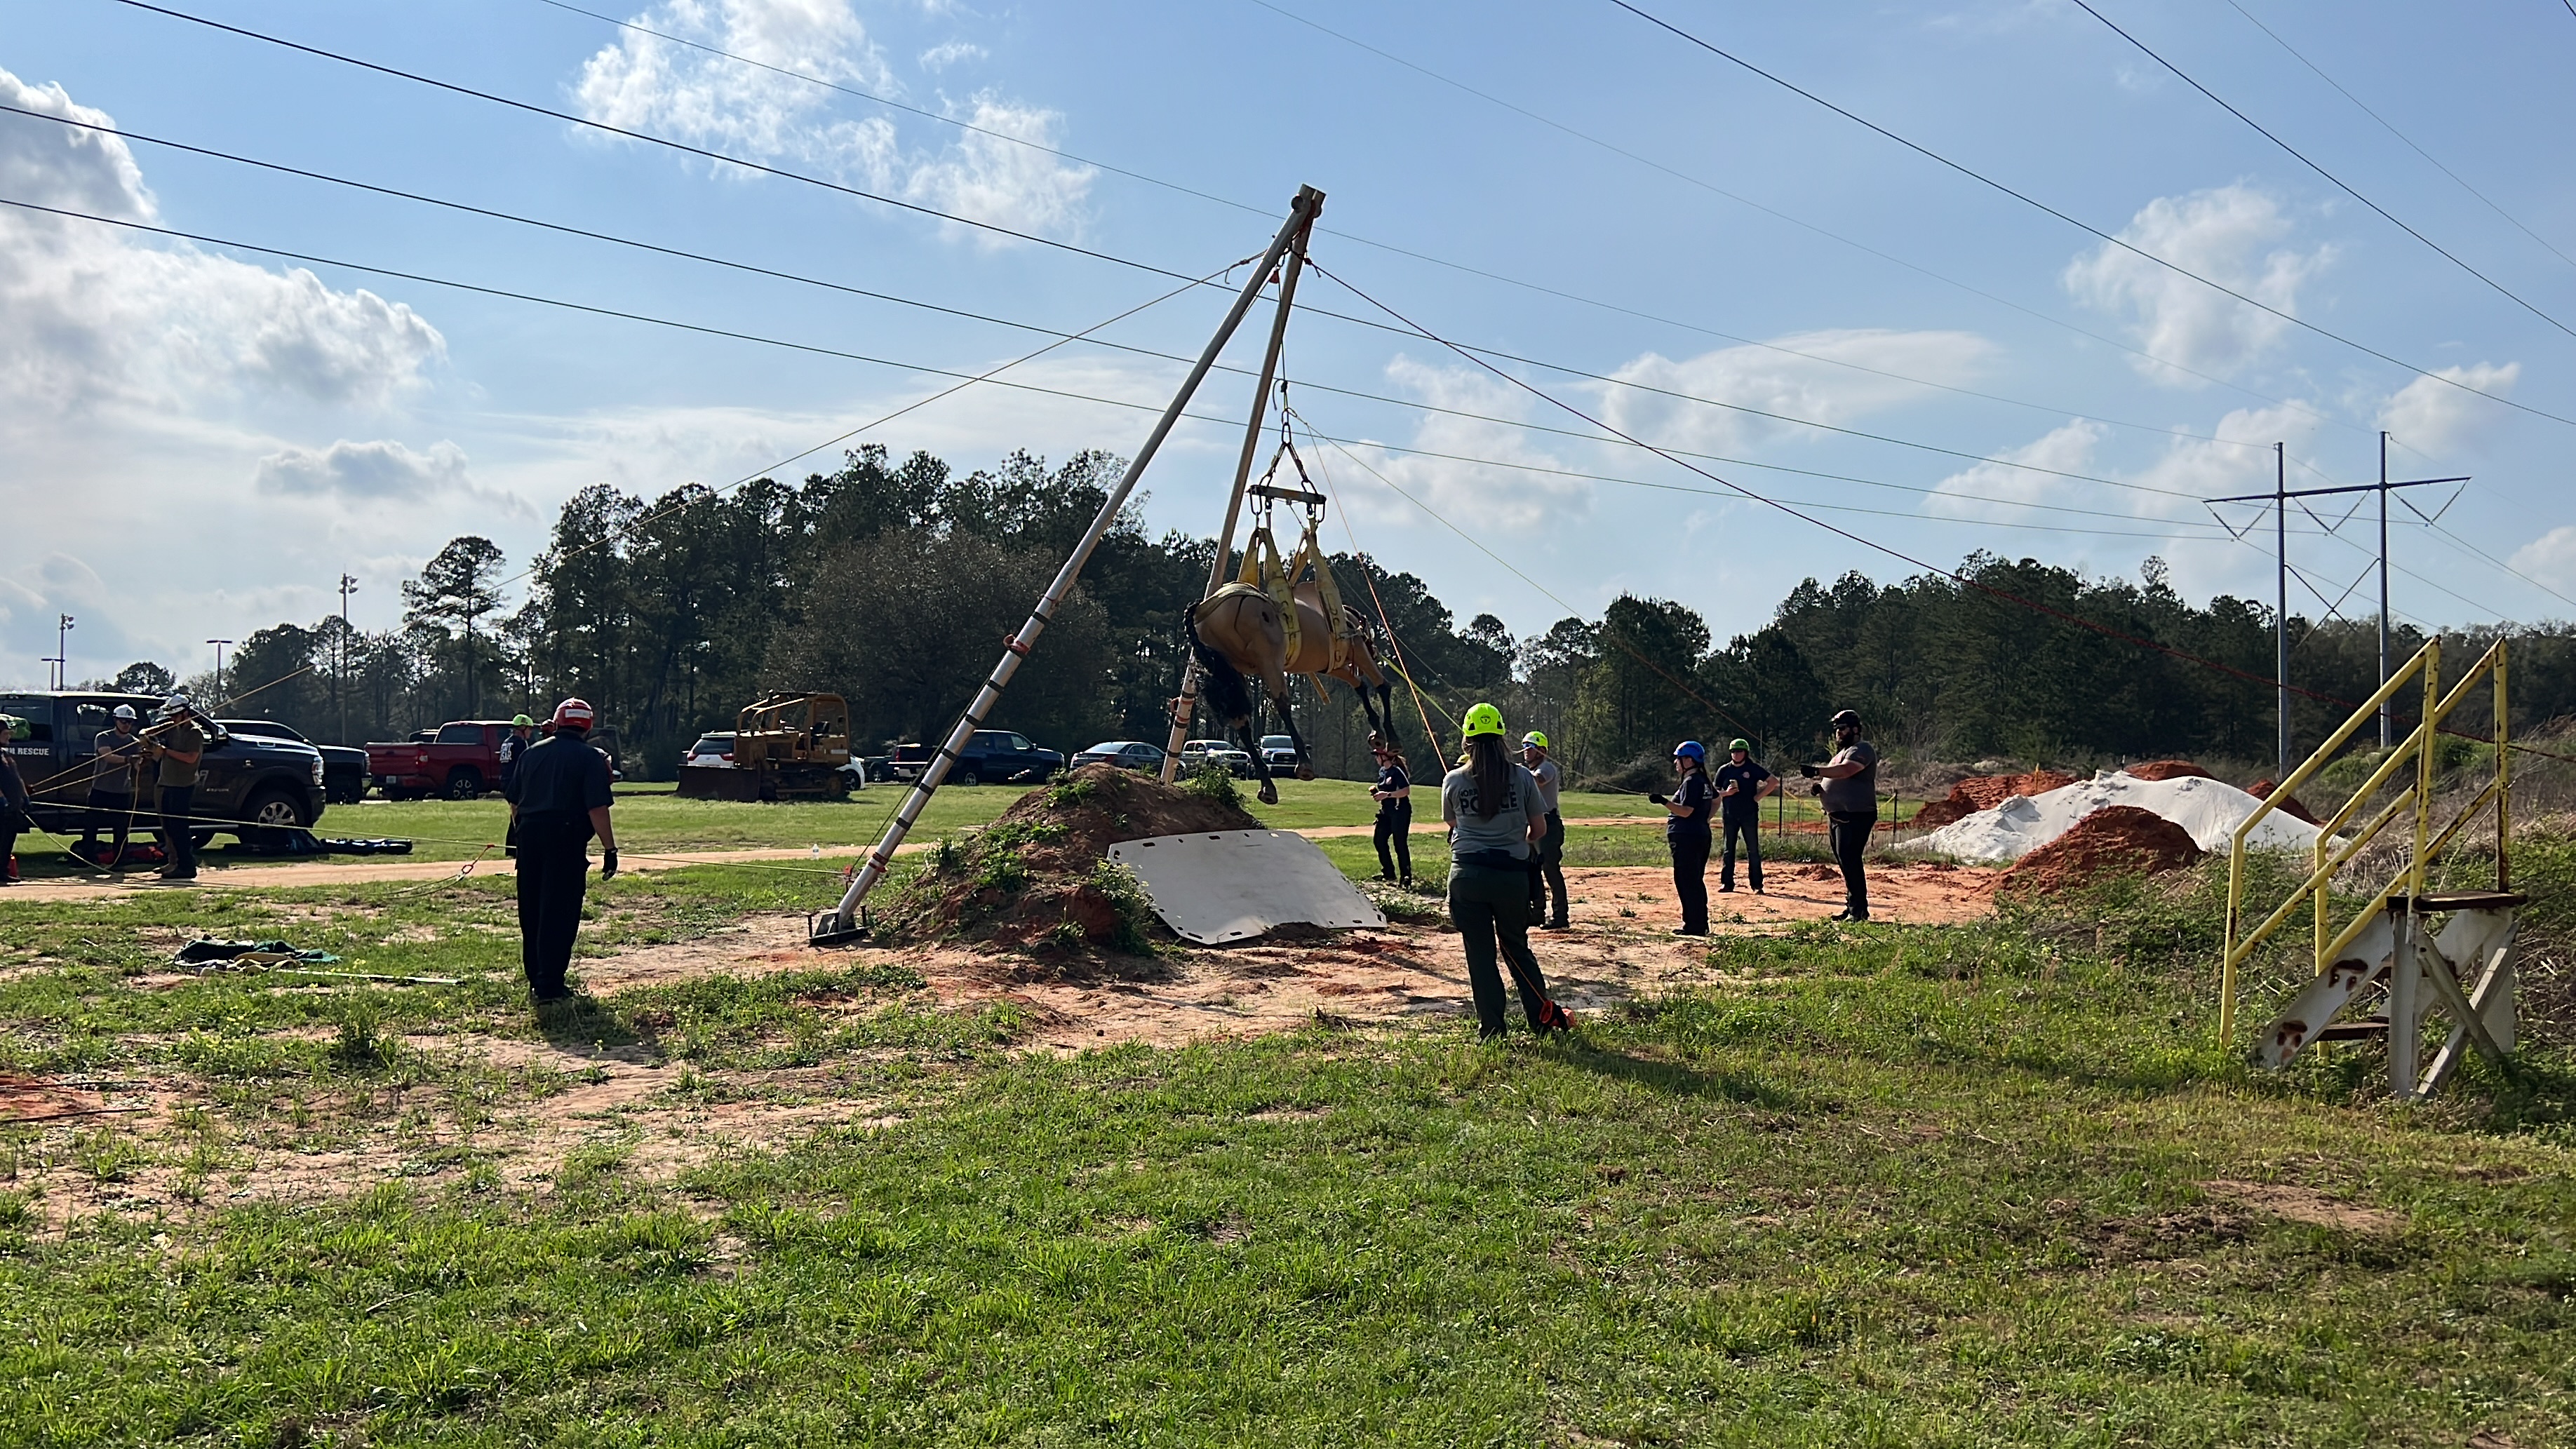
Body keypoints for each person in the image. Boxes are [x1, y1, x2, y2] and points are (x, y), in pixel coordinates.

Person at [1441, 703, 1568, 1039]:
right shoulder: (1523, 776)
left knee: (1480, 955)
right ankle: (1542, 1020)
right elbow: (1538, 829)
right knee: (1515, 947)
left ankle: (1493, 1030)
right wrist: (1518, 841)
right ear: (1501, 738)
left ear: (1467, 740)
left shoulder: (1453, 780)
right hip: (1510, 875)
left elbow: (1453, 825)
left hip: (1467, 876)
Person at [504, 696, 619, 1006]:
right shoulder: (591, 758)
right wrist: (610, 849)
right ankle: (550, 984)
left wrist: (524, 833)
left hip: (528, 837)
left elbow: (514, 802)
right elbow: (597, 808)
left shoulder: (531, 755)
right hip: (566, 840)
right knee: (560, 910)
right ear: (588, 726)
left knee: (532, 908)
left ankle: (535, 976)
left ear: (557, 722)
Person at [1800, 709, 1879, 922]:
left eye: (1842, 729)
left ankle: (1859, 910)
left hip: (1856, 814)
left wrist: (1817, 771)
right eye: (1836, 730)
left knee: (1850, 859)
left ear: (1855, 729)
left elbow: (1847, 771)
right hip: (1837, 815)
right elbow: (1837, 777)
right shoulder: (1839, 754)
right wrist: (1821, 790)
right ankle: (1852, 906)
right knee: (1845, 861)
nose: (1838, 733)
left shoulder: (1862, 749)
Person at [1649, 740, 1717, 934]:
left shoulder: (1692, 782)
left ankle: (1694, 926)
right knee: (1695, 880)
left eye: (1678, 759)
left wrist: (1663, 802)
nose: (1676, 763)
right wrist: (1704, 820)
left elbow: (1686, 811)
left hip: (1687, 837)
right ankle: (1699, 924)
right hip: (1699, 834)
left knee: (1687, 881)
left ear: (1689, 760)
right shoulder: (1704, 781)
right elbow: (1717, 799)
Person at [143, 695, 206, 882]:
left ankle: (187, 866)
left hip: (183, 785)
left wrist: (165, 751)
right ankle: (174, 863)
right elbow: (148, 735)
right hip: (166, 782)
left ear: (185, 713)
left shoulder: (195, 733)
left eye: (175, 715)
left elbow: (191, 758)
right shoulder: (173, 729)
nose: (172, 719)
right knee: (168, 828)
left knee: (179, 828)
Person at [81, 703, 146, 865]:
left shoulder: (135, 742)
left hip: (122, 791)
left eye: (130, 722)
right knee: (91, 826)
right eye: (123, 721)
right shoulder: (103, 737)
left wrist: (142, 761)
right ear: (116, 720)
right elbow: (107, 756)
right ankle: (87, 858)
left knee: (121, 829)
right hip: (100, 789)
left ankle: (120, 859)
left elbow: (138, 765)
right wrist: (128, 759)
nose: (126, 724)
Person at [1712, 738, 1778, 894]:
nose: (1736, 754)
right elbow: (1713, 792)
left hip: (1749, 814)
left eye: (1739, 751)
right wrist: (1726, 793)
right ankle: (1727, 883)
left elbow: (1773, 781)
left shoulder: (1752, 768)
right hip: (1729, 814)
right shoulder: (1724, 770)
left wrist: (1757, 797)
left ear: (1746, 753)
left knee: (1753, 849)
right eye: (1734, 751)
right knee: (1729, 849)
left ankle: (1757, 885)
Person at [1520, 731, 1569, 929]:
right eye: (1524, 747)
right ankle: (1537, 912)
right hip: (1532, 823)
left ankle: (1560, 916)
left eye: (1529, 748)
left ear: (1541, 751)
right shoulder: (1524, 772)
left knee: (1550, 869)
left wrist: (1517, 774)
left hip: (1549, 824)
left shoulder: (1546, 768)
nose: (1525, 752)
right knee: (1532, 870)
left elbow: (1538, 781)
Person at [1369, 740, 1413, 887]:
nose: (1376, 759)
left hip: (1400, 811)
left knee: (1399, 843)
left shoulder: (1396, 771)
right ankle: (1388, 873)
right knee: (1379, 840)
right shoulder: (1382, 772)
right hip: (1386, 811)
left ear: (1385, 757)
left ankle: (1406, 877)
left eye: (1378, 756)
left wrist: (1386, 795)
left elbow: (1406, 791)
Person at [0, 715, 30, 885]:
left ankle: (2, 870)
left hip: (13, 806)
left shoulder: (6, 755)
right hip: (3, 805)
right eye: (5, 733)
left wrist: (24, 796)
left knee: (7, 839)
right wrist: (2, 799)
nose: (9, 736)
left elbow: (17, 778)